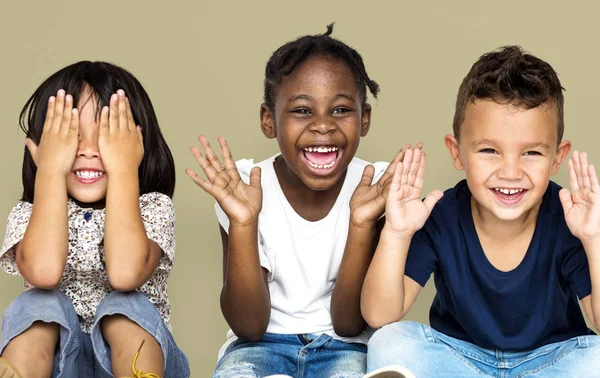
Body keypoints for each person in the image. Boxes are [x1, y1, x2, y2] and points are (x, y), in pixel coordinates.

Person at [187, 24, 412, 377]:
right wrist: (243, 222)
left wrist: (362, 222)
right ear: (268, 120)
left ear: (364, 119)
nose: (323, 126)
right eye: (302, 111)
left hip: (346, 346)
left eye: (340, 110)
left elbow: (350, 323)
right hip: (259, 347)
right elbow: (249, 325)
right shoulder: (242, 186)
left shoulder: (378, 187)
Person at [362, 46, 600, 377]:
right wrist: (397, 233)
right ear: (457, 152)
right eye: (490, 150)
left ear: (557, 158)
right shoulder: (441, 215)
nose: (510, 172)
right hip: (461, 362)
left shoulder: (567, 218)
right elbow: (379, 316)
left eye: (531, 152)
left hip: (548, 364)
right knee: (389, 341)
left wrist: (593, 239)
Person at [0, 61, 189, 378]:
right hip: (58, 366)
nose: (88, 150)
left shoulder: (152, 208)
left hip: (137, 361)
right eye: (70, 136)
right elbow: (44, 273)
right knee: (35, 305)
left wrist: (123, 170)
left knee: (125, 307)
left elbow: (125, 276)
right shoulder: (28, 214)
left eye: (106, 136)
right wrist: (50, 171)